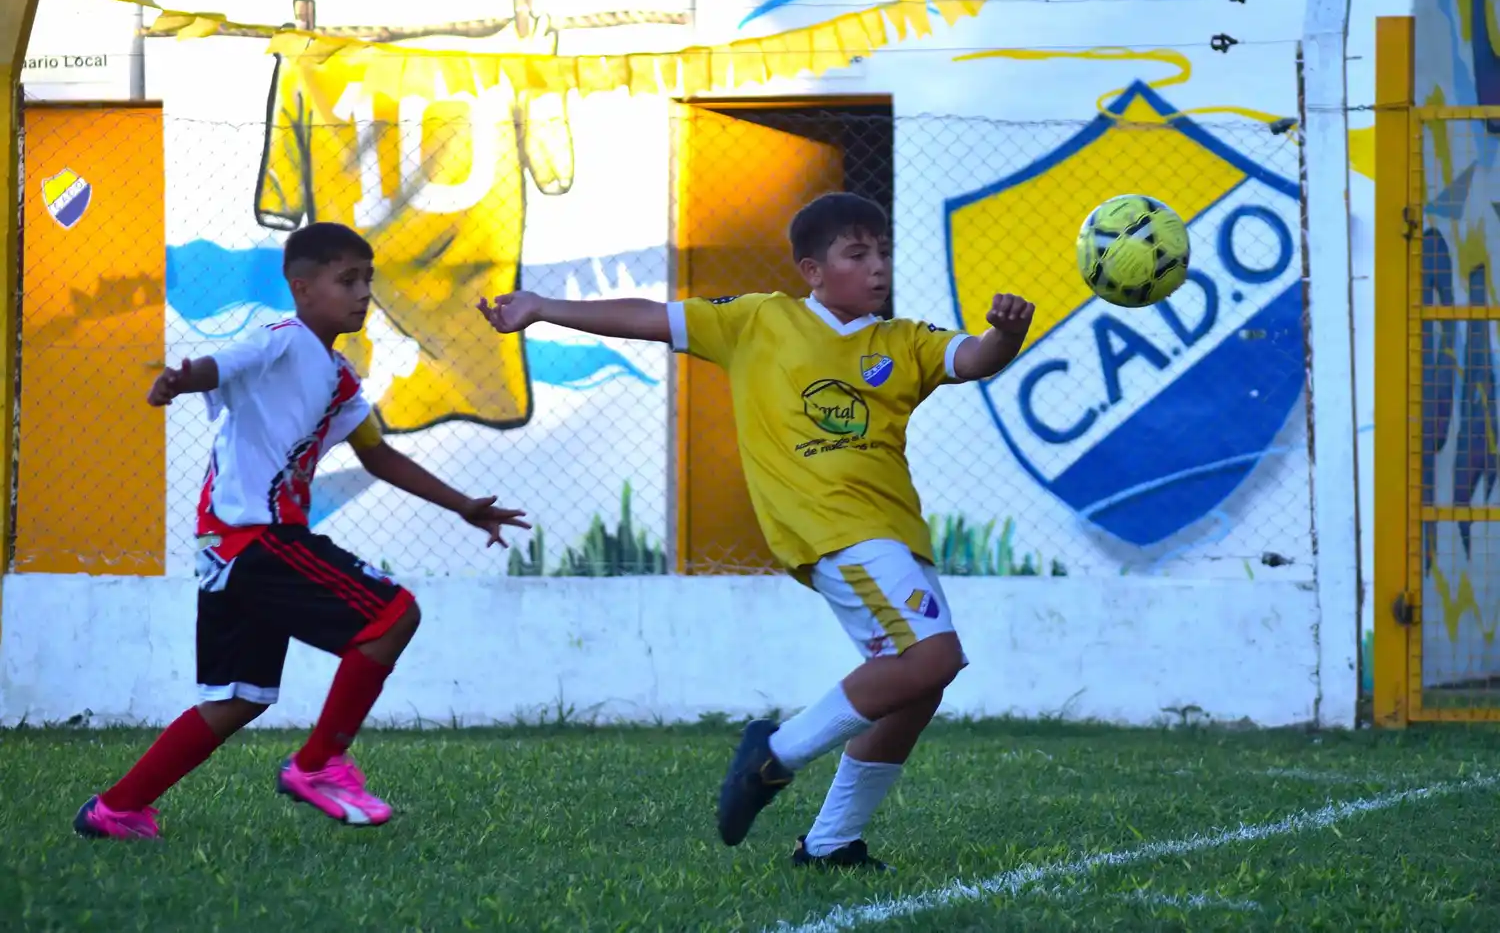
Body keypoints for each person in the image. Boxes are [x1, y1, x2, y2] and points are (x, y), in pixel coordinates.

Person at [477, 192, 1034, 869]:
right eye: (857, 254)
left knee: (917, 687)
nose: (878, 267)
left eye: (883, 253)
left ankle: (831, 844)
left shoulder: (903, 340)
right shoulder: (759, 320)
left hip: (894, 533)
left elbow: (974, 358)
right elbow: (650, 317)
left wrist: (1007, 334)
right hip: (836, 528)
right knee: (932, 660)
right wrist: (542, 307)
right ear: (812, 271)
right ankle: (775, 754)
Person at [74, 222, 530, 840]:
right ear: (302, 287)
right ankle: (318, 765)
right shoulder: (282, 340)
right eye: (348, 280)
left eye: (368, 279)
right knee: (392, 616)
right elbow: (221, 365)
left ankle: (116, 809)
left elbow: (377, 455)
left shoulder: (339, 378)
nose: (363, 293)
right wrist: (183, 378)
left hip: (228, 549)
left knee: (238, 699)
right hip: (254, 538)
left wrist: (463, 505)